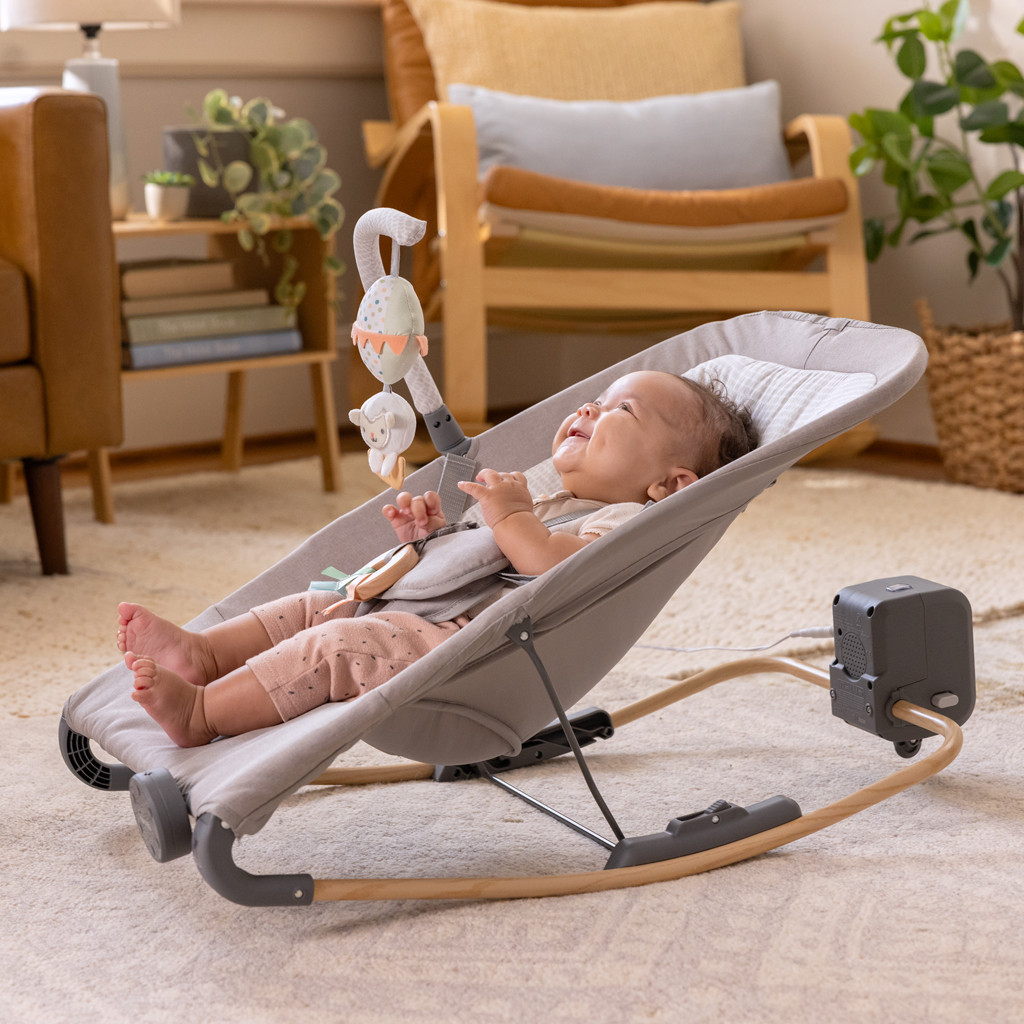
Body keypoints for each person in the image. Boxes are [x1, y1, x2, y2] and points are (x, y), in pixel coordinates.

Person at [119, 370, 757, 747]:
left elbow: (548, 565)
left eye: (623, 409)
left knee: (333, 645)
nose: (589, 407)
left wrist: (510, 515)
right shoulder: (550, 496)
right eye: (598, 397)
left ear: (669, 485)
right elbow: (478, 558)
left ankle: (203, 714)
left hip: (459, 648)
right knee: (314, 605)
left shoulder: (623, 520)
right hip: (419, 605)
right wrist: (429, 537)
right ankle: (206, 655)